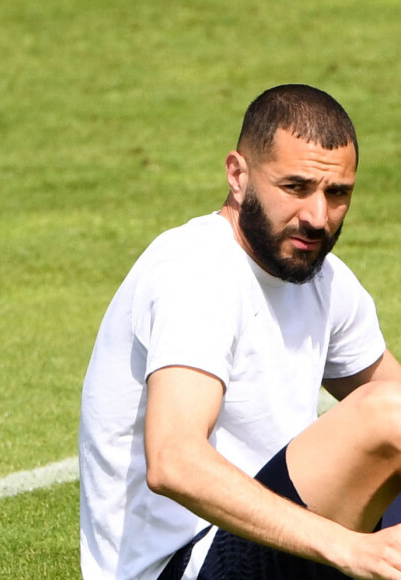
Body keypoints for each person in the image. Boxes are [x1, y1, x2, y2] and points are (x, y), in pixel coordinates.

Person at [78, 84, 401, 579]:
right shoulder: (196, 271)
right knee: (386, 415)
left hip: (270, 537)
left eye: (337, 194)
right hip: (181, 566)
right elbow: (173, 461)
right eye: (296, 187)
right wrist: (346, 547)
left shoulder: (325, 278)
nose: (318, 217)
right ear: (238, 175)